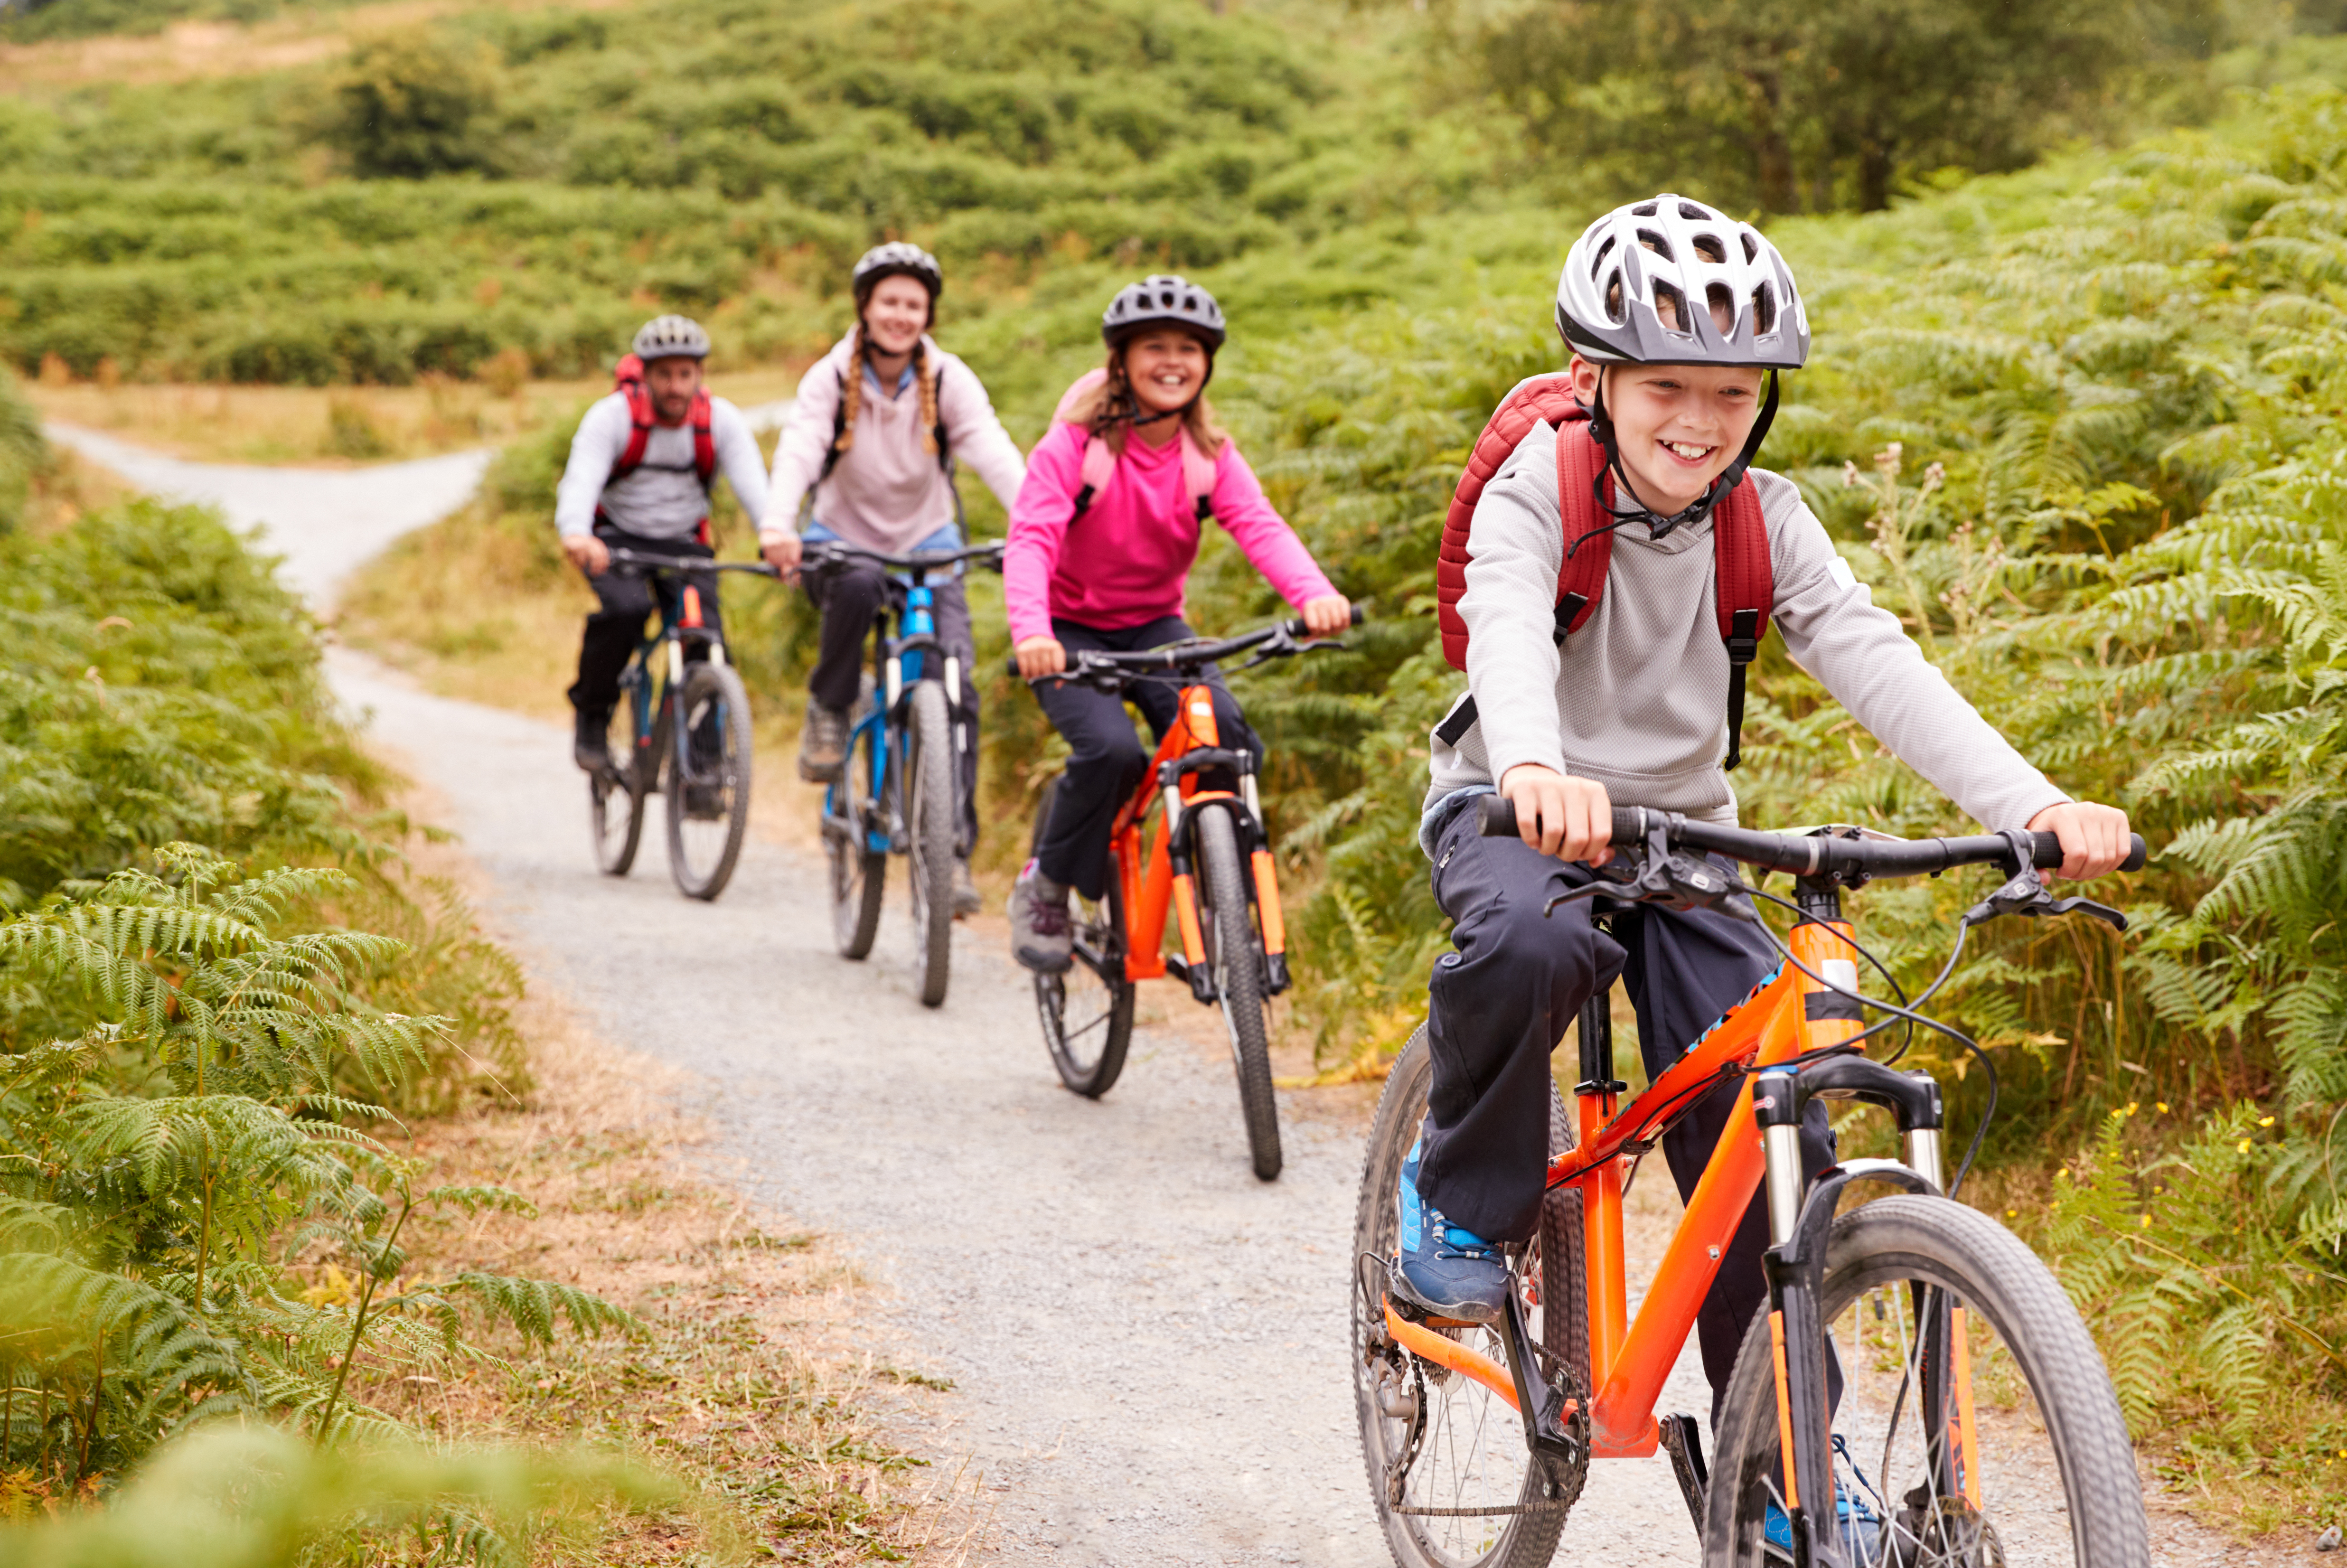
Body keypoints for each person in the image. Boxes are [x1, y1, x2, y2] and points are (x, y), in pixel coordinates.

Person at [1401, 195, 2133, 1532]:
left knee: (1764, 1109)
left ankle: (1785, 1471)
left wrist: (2035, 800)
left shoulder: (1765, 519)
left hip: (1685, 840)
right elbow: (1501, 623)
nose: (1697, 418)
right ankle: (1450, 1191)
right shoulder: (1540, 489)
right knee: (1535, 942)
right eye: (1666, 386)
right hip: (1518, 810)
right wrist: (1528, 765)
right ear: (1595, 382)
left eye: (1731, 393)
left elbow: (1877, 663)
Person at [1004, 274, 1350, 972]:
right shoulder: (1075, 447)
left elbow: (1260, 526)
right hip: (1067, 630)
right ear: (1121, 362)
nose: (1172, 361)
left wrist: (1315, 595)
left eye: (1188, 348)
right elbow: (1031, 538)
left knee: (1224, 737)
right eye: (1154, 346)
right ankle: (1044, 884)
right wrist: (1032, 632)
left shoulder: (1206, 454)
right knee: (1110, 753)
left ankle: (1233, 897)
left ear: (1206, 362)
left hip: (1155, 624)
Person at [760, 242, 1025, 917]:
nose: (901, 315)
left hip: (929, 540)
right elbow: (798, 447)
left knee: (955, 684)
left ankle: (952, 853)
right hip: (842, 538)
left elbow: (991, 448)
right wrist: (776, 524)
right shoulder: (830, 376)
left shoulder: (947, 378)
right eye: (890, 302)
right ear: (865, 308)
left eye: (913, 304)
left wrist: (1035, 522)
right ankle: (830, 705)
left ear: (927, 313)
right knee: (853, 586)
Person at [557, 315, 771, 771]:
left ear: (700, 375)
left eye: (685, 374)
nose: (675, 386)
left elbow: (759, 493)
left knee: (708, 642)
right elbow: (580, 481)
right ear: (645, 375)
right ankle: (593, 715)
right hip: (616, 542)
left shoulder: (721, 422)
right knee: (625, 613)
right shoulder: (611, 417)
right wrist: (577, 533)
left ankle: (705, 763)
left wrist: (777, 538)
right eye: (664, 375)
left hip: (684, 546)